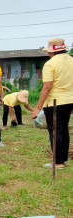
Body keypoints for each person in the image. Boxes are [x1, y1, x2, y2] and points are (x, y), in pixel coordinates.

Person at [31, 38, 73, 169]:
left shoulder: (50, 64)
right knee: (64, 129)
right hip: (70, 100)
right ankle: (64, 159)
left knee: (55, 132)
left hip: (55, 102)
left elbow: (47, 87)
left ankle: (58, 162)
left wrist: (38, 108)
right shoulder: (72, 60)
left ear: (52, 52)